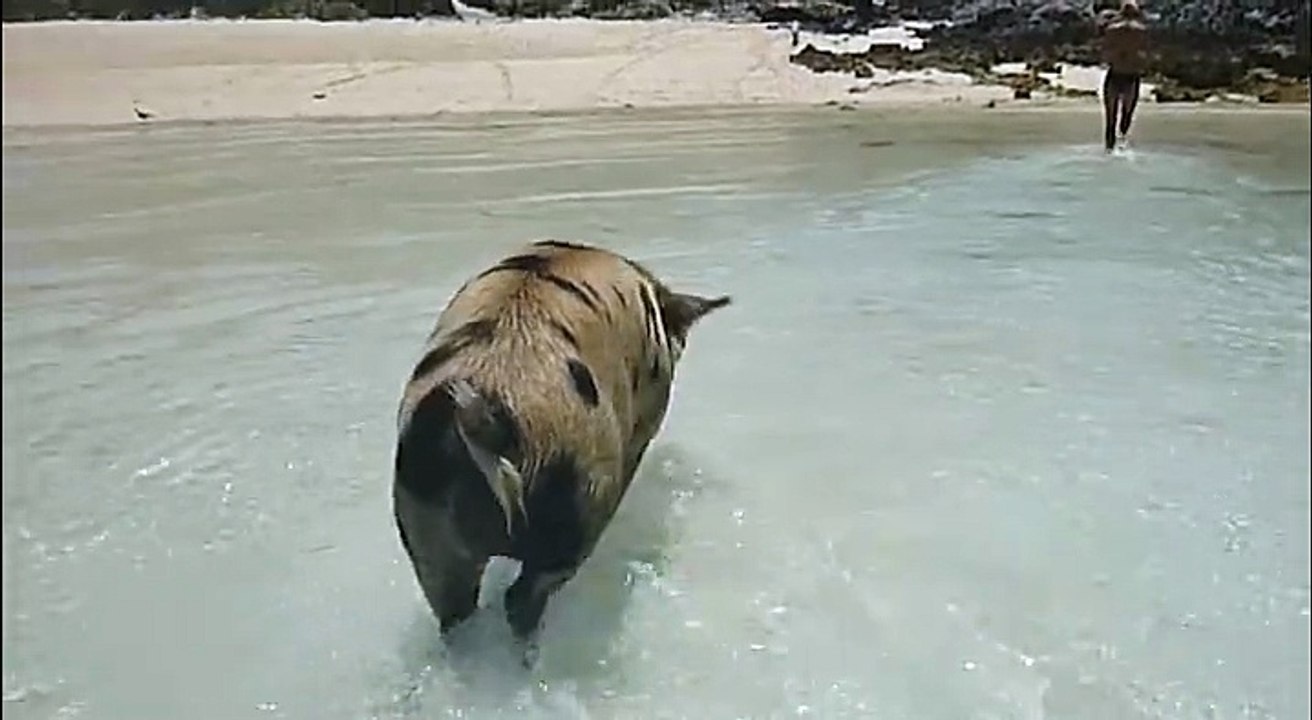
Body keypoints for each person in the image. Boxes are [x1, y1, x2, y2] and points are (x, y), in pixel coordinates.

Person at [1099, 0, 1148, 151]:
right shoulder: (1141, 31)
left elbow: (1105, 51)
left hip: (1114, 74)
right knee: (1126, 116)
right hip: (1132, 76)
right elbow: (1146, 53)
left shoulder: (1112, 29)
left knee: (1110, 119)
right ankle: (1122, 147)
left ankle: (1109, 150)